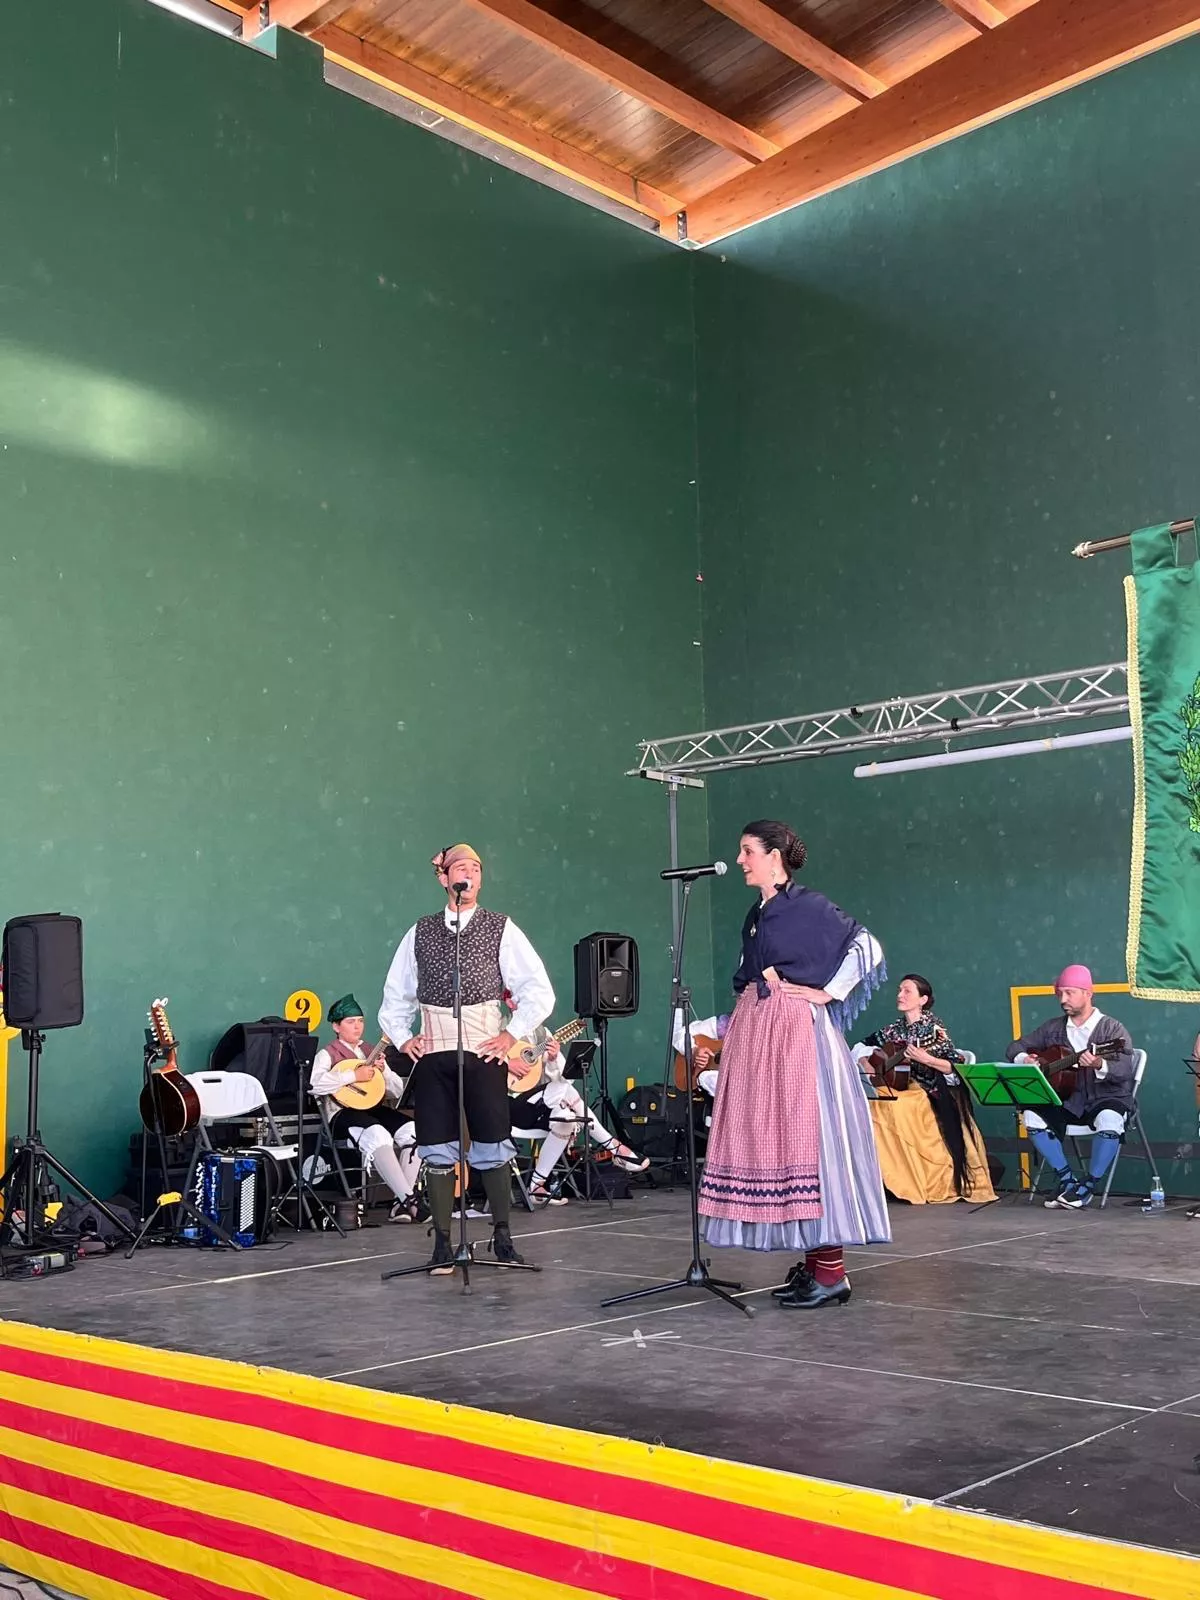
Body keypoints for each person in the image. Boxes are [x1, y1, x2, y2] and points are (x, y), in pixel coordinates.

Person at [698, 819, 890, 1310]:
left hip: (798, 1036)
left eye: (747, 851)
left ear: (774, 855)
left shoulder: (808, 905)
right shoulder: (758, 913)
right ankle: (816, 1266)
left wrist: (828, 992)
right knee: (784, 1144)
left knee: (813, 1142)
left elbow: (868, 947)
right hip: (762, 1032)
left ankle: (831, 1272)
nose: (740, 860)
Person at [379, 842, 554, 1273]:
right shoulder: (420, 931)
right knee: (437, 1146)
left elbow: (538, 990)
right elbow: (396, 995)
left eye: (476, 868)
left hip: (483, 1054)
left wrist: (510, 1033)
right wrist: (403, 1039)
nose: (470, 875)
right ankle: (441, 1243)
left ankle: (502, 1236)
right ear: (444, 878)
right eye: (461, 868)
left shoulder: (501, 927)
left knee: (493, 1142)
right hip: (435, 1054)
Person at [857, 975, 994, 1205]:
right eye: (900, 990)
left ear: (923, 999)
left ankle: (916, 1177)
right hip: (902, 1087)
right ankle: (893, 1174)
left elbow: (955, 1065)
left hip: (930, 1090)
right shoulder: (894, 1029)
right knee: (874, 1101)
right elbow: (862, 1045)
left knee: (898, 1106)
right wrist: (867, 1063)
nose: (900, 995)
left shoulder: (935, 1030)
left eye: (907, 991)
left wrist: (927, 1059)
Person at [1007, 964, 1136, 1209]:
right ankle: (1067, 1181)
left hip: (1105, 1097)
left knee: (1109, 1119)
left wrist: (1099, 1062)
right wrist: (1026, 1059)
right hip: (1068, 1100)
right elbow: (1014, 1048)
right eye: (1060, 993)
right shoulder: (1052, 1028)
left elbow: (1124, 1069)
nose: (1063, 999)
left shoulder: (1111, 1029)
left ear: (1088, 993)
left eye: (1069, 993)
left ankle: (1088, 1185)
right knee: (1032, 1116)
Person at [309, 994, 424, 1222]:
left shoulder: (372, 1051)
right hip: (341, 1113)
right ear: (336, 1026)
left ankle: (400, 1203)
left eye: (360, 1021)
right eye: (350, 1022)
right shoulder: (328, 1053)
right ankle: (410, 1202)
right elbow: (314, 1085)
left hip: (373, 1108)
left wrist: (383, 1073)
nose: (357, 1026)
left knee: (415, 1132)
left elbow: (396, 1091)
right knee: (378, 1134)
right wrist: (353, 1075)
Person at [511, 1035, 648, 1205]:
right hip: (512, 1108)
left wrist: (554, 1059)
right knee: (566, 1091)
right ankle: (615, 1147)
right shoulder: (502, 1031)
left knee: (565, 1123)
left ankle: (536, 1186)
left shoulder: (542, 1034)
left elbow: (566, 1077)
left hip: (544, 1109)